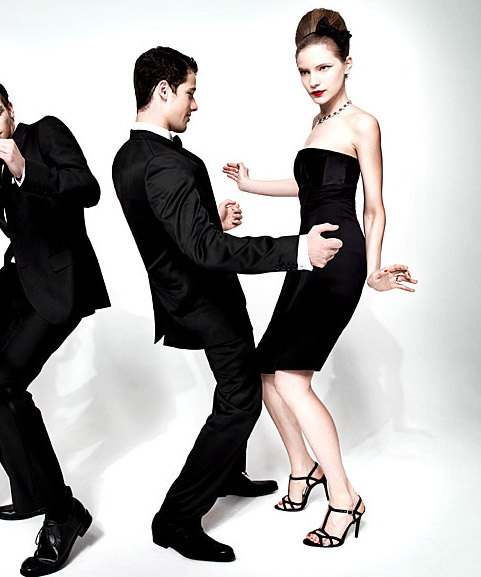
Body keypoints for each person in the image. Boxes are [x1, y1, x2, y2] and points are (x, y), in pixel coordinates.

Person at [112, 46, 343, 563]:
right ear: (163, 91)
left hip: (185, 292)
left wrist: (209, 220)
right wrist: (297, 250)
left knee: (235, 384)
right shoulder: (165, 162)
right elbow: (203, 250)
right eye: (189, 92)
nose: (195, 104)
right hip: (205, 299)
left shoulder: (130, 156)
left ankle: (227, 473)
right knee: (242, 399)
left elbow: (173, 230)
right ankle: (176, 519)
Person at [223, 8, 417, 548]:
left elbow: (374, 206)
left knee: (291, 379)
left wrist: (374, 270)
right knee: (266, 372)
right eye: (304, 72)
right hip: (308, 255)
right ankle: (302, 467)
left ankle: (344, 497)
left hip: (340, 257)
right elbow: (308, 188)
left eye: (323, 69)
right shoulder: (316, 125)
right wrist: (251, 184)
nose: (313, 81)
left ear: (347, 64)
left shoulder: (362, 124)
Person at [0, 75, 109, 576]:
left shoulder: (44, 135)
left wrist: (24, 168)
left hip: (60, 292)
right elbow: (25, 251)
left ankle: (62, 513)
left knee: (2, 387)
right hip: (17, 295)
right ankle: (34, 492)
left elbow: (87, 188)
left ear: (11, 109)